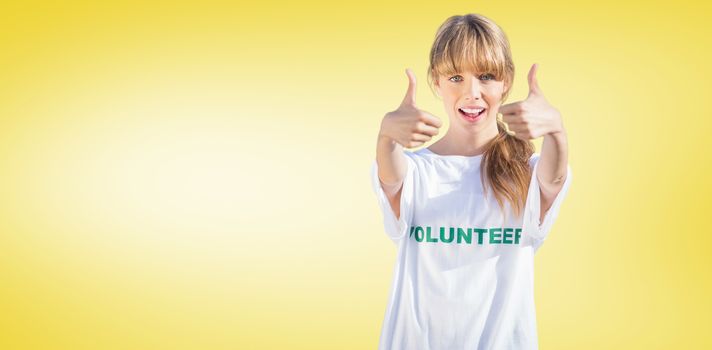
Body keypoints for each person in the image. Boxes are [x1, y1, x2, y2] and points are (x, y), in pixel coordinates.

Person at [370, 13, 572, 350]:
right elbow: (390, 177)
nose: (472, 92)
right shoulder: (416, 171)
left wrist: (556, 132)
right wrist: (386, 137)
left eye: (486, 76)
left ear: (506, 82)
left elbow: (554, 178)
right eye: (455, 77)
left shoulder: (525, 172)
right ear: (436, 82)